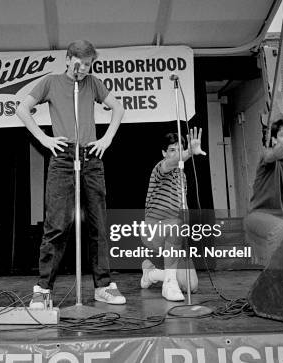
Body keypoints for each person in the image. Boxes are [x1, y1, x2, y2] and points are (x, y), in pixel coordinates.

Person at [16, 40, 126, 307]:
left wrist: (107, 139)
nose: (84, 70)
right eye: (80, 64)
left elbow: (119, 108)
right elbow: (22, 108)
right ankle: (43, 288)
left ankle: (103, 285)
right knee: (56, 225)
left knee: (98, 224)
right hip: (63, 157)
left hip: (91, 155)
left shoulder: (93, 83)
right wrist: (44, 139)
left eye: (89, 65)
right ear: (68, 59)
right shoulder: (51, 82)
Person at [139, 130, 205, 301]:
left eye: (180, 148)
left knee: (191, 286)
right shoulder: (160, 168)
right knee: (174, 224)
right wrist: (189, 152)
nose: (176, 153)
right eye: (172, 150)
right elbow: (172, 162)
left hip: (173, 238)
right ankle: (168, 284)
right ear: (164, 153)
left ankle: (151, 273)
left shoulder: (182, 176)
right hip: (154, 234)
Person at [244, 118, 283, 266]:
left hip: (281, 220)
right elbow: (275, 155)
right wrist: (282, 146)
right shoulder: (266, 155)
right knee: (282, 230)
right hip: (257, 216)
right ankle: (273, 277)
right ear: (274, 139)